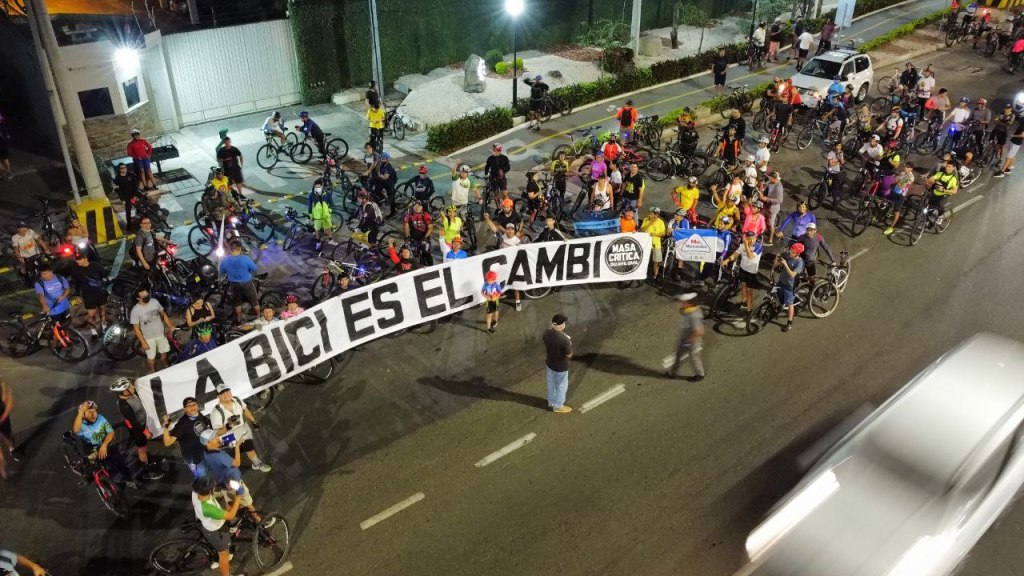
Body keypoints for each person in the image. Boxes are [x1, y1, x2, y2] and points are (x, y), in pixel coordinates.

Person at [110, 377, 163, 481]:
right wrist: (145, 431)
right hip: (137, 429)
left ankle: (149, 460)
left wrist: (134, 381)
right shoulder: (124, 405)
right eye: (130, 387)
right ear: (125, 391)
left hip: (142, 424)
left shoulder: (130, 394)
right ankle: (147, 471)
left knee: (145, 446)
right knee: (142, 449)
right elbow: (133, 421)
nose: (133, 387)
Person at [209, 383, 271, 472]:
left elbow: (244, 410)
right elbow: (217, 433)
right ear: (218, 396)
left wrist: (253, 421)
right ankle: (243, 469)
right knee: (238, 451)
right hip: (227, 436)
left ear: (230, 391)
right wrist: (228, 427)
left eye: (227, 391)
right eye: (222, 393)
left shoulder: (237, 400)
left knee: (247, 445)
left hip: (242, 429)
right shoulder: (215, 413)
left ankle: (255, 463)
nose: (226, 394)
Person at [73, 401, 136, 487]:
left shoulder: (100, 418)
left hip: (105, 445)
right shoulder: (82, 425)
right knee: (90, 466)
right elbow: (76, 429)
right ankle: (87, 477)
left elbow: (110, 432)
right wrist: (80, 412)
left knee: (119, 460)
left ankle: (129, 480)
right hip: (91, 449)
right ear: (83, 415)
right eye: (89, 412)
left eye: (94, 411)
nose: (93, 414)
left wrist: (104, 445)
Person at [191, 475, 244, 576]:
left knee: (220, 550)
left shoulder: (196, 492)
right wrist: (238, 496)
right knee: (224, 557)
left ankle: (218, 556)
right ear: (210, 490)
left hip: (207, 525)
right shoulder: (208, 508)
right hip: (217, 532)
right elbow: (230, 515)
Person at [162, 397, 212, 478]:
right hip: (194, 458)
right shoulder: (182, 424)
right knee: (202, 478)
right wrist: (165, 428)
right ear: (184, 409)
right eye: (189, 406)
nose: (192, 407)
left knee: (208, 473)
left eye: (194, 404)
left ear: (197, 406)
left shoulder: (199, 414)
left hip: (205, 452)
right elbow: (168, 442)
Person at [130, 286, 175, 373]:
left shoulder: (154, 301)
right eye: (144, 296)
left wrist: (170, 325)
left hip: (161, 334)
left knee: (164, 354)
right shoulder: (135, 310)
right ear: (138, 298)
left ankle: (165, 366)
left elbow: (163, 314)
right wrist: (143, 343)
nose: (147, 297)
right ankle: (152, 370)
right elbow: (136, 329)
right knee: (151, 357)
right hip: (148, 338)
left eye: (147, 294)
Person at [665, 293, 705, 381]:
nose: (682, 304)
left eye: (684, 302)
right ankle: (673, 373)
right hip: (685, 338)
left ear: (690, 303)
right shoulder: (689, 309)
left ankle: (700, 374)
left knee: (694, 357)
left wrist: (688, 341)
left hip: (692, 341)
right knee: (678, 355)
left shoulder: (694, 315)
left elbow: (699, 331)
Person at [219, 241, 260, 322]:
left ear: (231, 249)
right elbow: (255, 269)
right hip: (247, 283)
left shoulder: (225, 259)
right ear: (240, 249)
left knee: (237, 303)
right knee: (254, 301)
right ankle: (258, 317)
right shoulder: (245, 258)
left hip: (234, 284)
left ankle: (238, 320)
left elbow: (222, 271)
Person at [69, 250, 107, 335]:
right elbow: (75, 283)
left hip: (101, 293)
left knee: (102, 311)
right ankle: (93, 332)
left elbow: (104, 275)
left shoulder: (96, 266)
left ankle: (104, 326)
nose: (77, 261)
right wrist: (77, 295)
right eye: (76, 260)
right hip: (88, 296)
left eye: (79, 259)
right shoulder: (76, 270)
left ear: (86, 258)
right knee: (91, 315)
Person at [722, 231, 762, 312]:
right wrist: (726, 261)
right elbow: (734, 255)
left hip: (752, 272)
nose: (751, 240)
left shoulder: (758, 246)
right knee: (743, 286)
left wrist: (746, 245)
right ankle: (743, 302)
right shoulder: (742, 246)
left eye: (753, 238)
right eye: (749, 239)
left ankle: (749, 310)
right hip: (743, 269)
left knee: (749, 291)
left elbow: (750, 256)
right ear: (746, 238)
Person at [542, 314, 574, 413]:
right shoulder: (565, 340)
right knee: (561, 386)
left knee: (551, 383)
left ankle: (551, 401)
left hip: (550, 363)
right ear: (561, 326)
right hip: (561, 367)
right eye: (564, 323)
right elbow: (569, 355)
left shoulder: (546, 333)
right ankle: (558, 406)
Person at [774, 243, 806, 333]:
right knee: (777, 295)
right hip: (781, 281)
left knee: (789, 304)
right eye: (791, 251)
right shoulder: (789, 256)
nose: (790, 253)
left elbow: (792, 274)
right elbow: (777, 264)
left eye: (793, 252)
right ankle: (779, 307)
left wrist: (785, 264)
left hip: (790, 285)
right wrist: (777, 259)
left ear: (798, 253)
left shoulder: (800, 262)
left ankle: (789, 323)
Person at [884, 161, 917, 235]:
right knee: (884, 201)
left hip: (900, 195)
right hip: (894, 192)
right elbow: (895, 180)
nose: (905, 167)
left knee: (896, 211)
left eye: (907, 167)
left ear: (911, 169)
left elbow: (901, 186)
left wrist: (898, 181)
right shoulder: (902, 173)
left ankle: (891, 227)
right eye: (905, 166)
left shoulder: (911, 177)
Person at [307, 179, 334, 252]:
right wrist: (310, 214)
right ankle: (318, 242)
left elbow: (331, 203)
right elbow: (309, 205)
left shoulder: (327, 193)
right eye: (316, 187)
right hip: (317, 216)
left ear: (322, 186)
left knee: (328, 228)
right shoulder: (312, 195)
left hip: (326, 215)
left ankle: (330, 240)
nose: (317, 189)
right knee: (317, 230)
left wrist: (329, 210)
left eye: (319, 187)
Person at [640, 207, 666, 281]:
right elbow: (642, 230)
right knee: (644, 260)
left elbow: (663, 234)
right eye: (650, 213)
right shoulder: (646, 219)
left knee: (656, 261)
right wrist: (651, 222)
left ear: (656, 214)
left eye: (652, 213)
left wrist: (655, 234)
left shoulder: (660, 222)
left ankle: (655, 275)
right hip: (646, 244)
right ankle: (643, 274)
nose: (650, 214)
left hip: (656, 244)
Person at [996, 112, 1024, 177]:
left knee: (1009, 157)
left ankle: (1001, 172)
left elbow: (1023, 135)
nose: (1019, 119)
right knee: (1012, 155)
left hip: (1016, 143)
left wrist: (1013, 135)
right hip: (1014, 141)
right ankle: (1008, 169)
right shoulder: (1022, 122)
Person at [112, 163, 139, 229]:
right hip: (126, 196)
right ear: (119, 169)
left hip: (134, 195)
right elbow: (118, 190)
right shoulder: (117, 178)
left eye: (124, 167)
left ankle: (140, 220)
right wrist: (122, 199)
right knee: (128, 211)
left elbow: (135, 185)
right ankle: (129, 226)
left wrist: (135, 195)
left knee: (139, 207)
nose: (124, 169)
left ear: (126, 168)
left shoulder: (131, 175)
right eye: (122, 168)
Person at [761, 171, 785, 244]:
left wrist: (767, 199)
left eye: (771, 179)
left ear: (775, 179)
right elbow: (767, 187)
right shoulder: (771, 182)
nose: (770, 180)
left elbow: (779, 200)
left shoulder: (778, 187)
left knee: (770, 224)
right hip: (766, 205)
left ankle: (770, 239)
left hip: (772, 208)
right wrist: (763, 189)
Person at [373, 152, 398, 218]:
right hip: (383, 181)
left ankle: (393, 212)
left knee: (391, 198)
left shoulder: (389, 167)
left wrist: (379, 175)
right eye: (381, 159)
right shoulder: (382, 165)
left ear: (387, 159)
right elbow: (379, 173)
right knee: (376, 190)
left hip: (390, 183)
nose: (382, 160)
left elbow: (385, 177)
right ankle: (383, 198)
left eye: (384, 159)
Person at [825, 140, 846, 205]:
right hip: (830, 172)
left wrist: (840, 158)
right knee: (829, 184)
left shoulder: (841, 153)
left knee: (835, 187)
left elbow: (842, 162)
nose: (839, 147)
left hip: (837, 173)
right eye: (838, 145)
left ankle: (834, 200)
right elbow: (831, 164)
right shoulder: (830, 153)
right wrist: (839, 162)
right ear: (834, 146)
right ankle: (829, 192)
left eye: (840, 145)